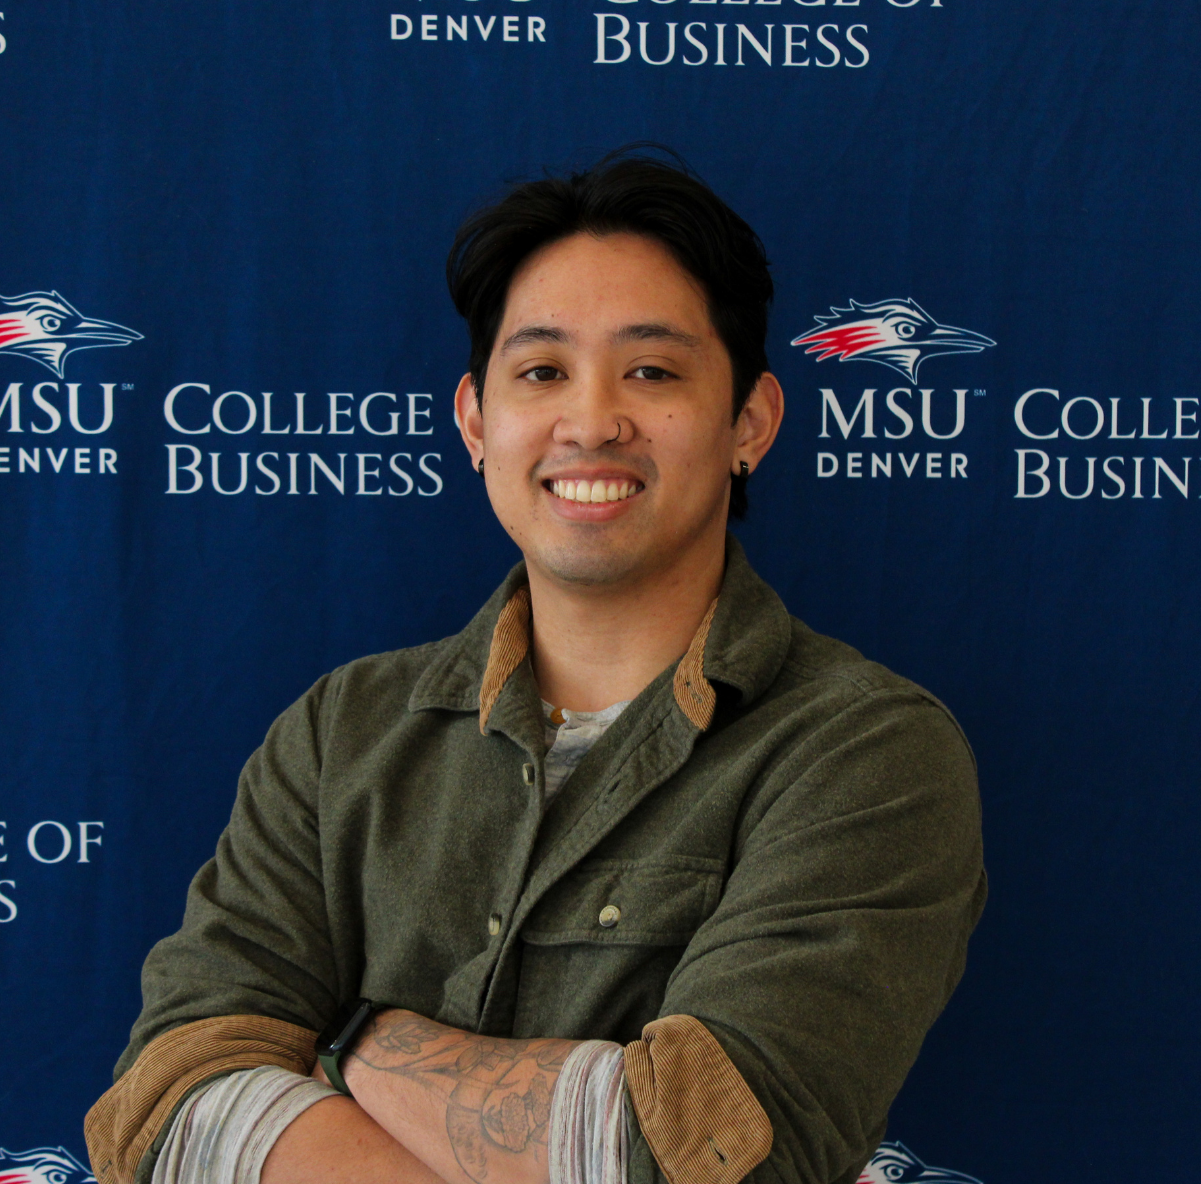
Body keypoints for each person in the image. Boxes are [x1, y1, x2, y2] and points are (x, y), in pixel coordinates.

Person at [85, 149, 986, 1184]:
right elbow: (164, 1109)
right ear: (477, 422)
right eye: (543, 371)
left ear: (750, 422)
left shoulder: (865, 751)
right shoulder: (340, 734)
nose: (592, 421)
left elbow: (701, 1154)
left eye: (652, 371)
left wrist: (356, 1042)